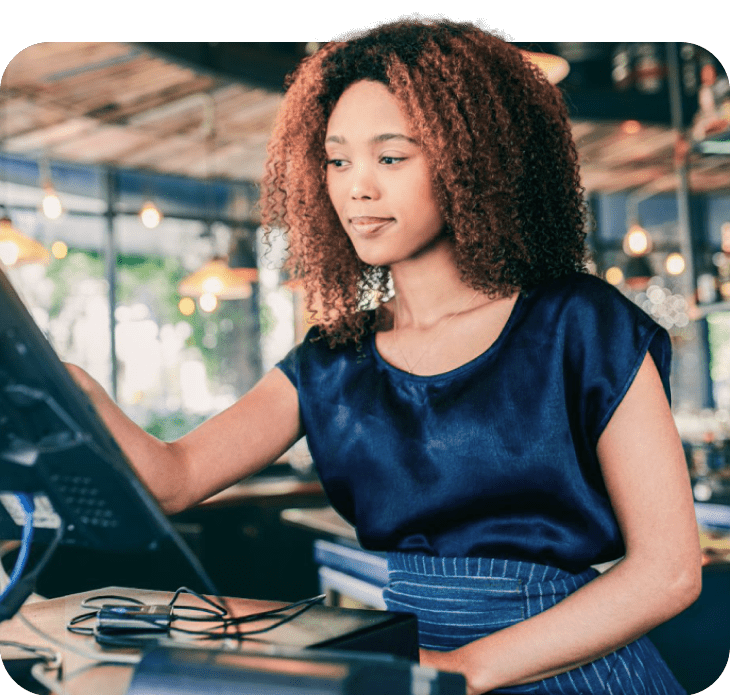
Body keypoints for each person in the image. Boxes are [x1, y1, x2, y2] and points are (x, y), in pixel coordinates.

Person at [67, 19, 702, 694]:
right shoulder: (330, 358)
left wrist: (466, 668)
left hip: (570, 672)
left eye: (390, 157)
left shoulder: (579, 322)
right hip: (416, 670)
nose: (355, 188)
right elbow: (173, 476)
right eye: (337, 160)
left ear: (472, 162)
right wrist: (65, 380)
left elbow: (668, 570)